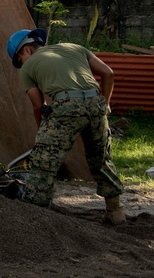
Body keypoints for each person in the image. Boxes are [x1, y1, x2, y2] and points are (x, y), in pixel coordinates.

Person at [7, 28, 126, 224]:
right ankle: (116, 211)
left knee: (44, 162)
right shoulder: (75, 48)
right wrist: (105, 104)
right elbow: (108, 73)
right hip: (96, 104)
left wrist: (42, 135)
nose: (21, 66)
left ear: (26, 50)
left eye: (19, 60)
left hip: (66, 107)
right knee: (101, 159)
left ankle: (34, 215)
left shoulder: (28, 68)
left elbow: (39, 106)